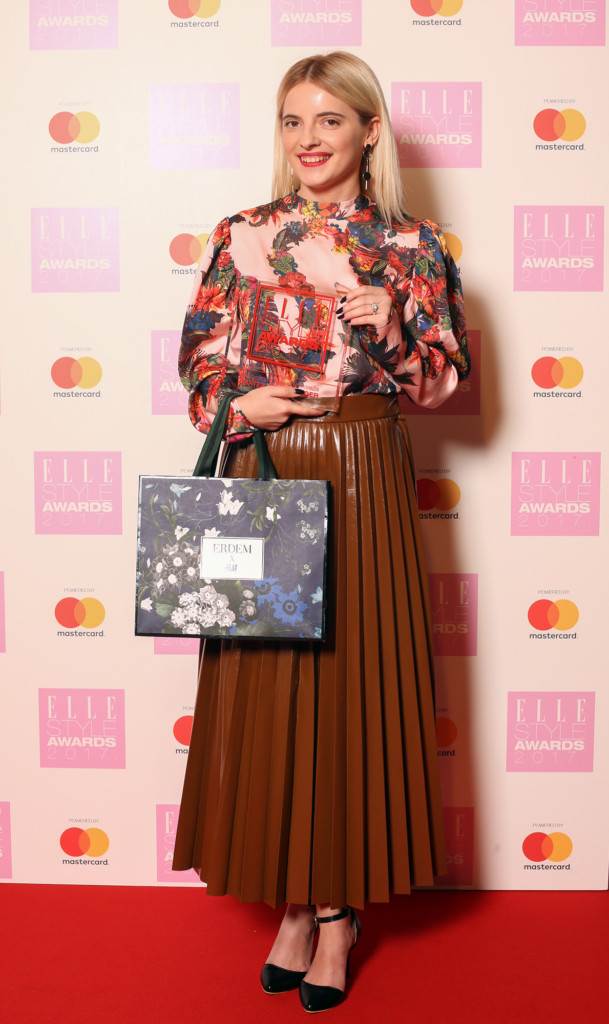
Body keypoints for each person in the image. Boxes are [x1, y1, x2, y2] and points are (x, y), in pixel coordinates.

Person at [171, 50, 471, 1013]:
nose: (309, 139)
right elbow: (199, 364)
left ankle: (336, 915)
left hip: (366, 468)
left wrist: (394, 327)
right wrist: (237, 403)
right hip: (267, 465)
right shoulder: (242, 234)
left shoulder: (414, 245)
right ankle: (293, 904)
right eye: (293, 120)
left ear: (368, 131)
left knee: (351, 686)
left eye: (330, 120)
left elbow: (442, 385)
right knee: (270, 689)